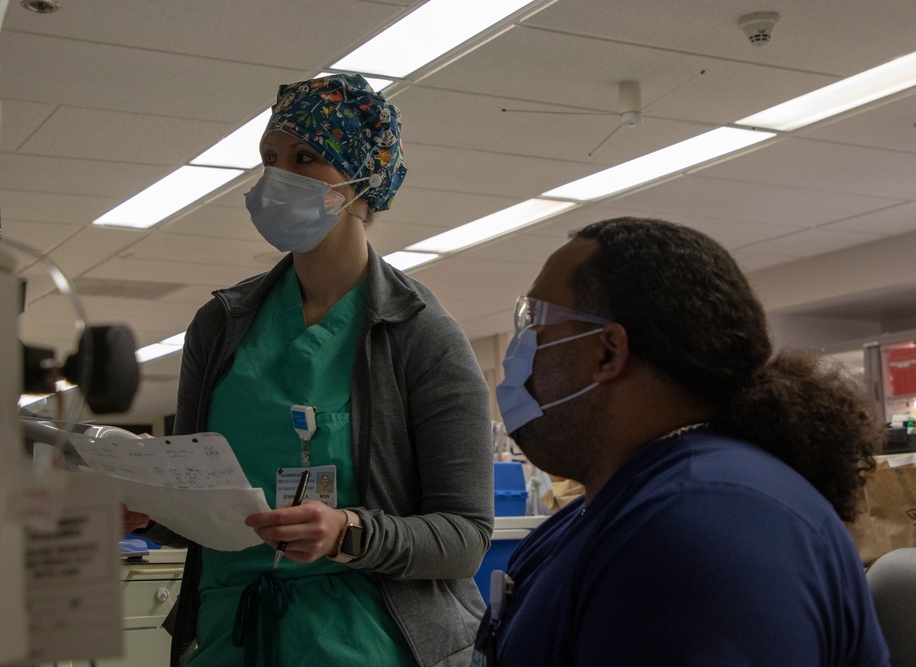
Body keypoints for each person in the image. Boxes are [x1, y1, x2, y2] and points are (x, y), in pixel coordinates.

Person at [131, 74, 494, 666]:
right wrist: (157, 511)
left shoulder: (423, 337)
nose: (278, 177)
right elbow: (205, 506)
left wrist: (348, 531)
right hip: (233, 636)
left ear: (362, 179)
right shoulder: (221, 326)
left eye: (305, 157)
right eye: (269, 159)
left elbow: (465, 537)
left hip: (366, 639)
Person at [473, 217, 889, 666]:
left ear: (608, 351)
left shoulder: (705, 525)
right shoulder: (617, 504)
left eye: (534, 321)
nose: (521, 348)